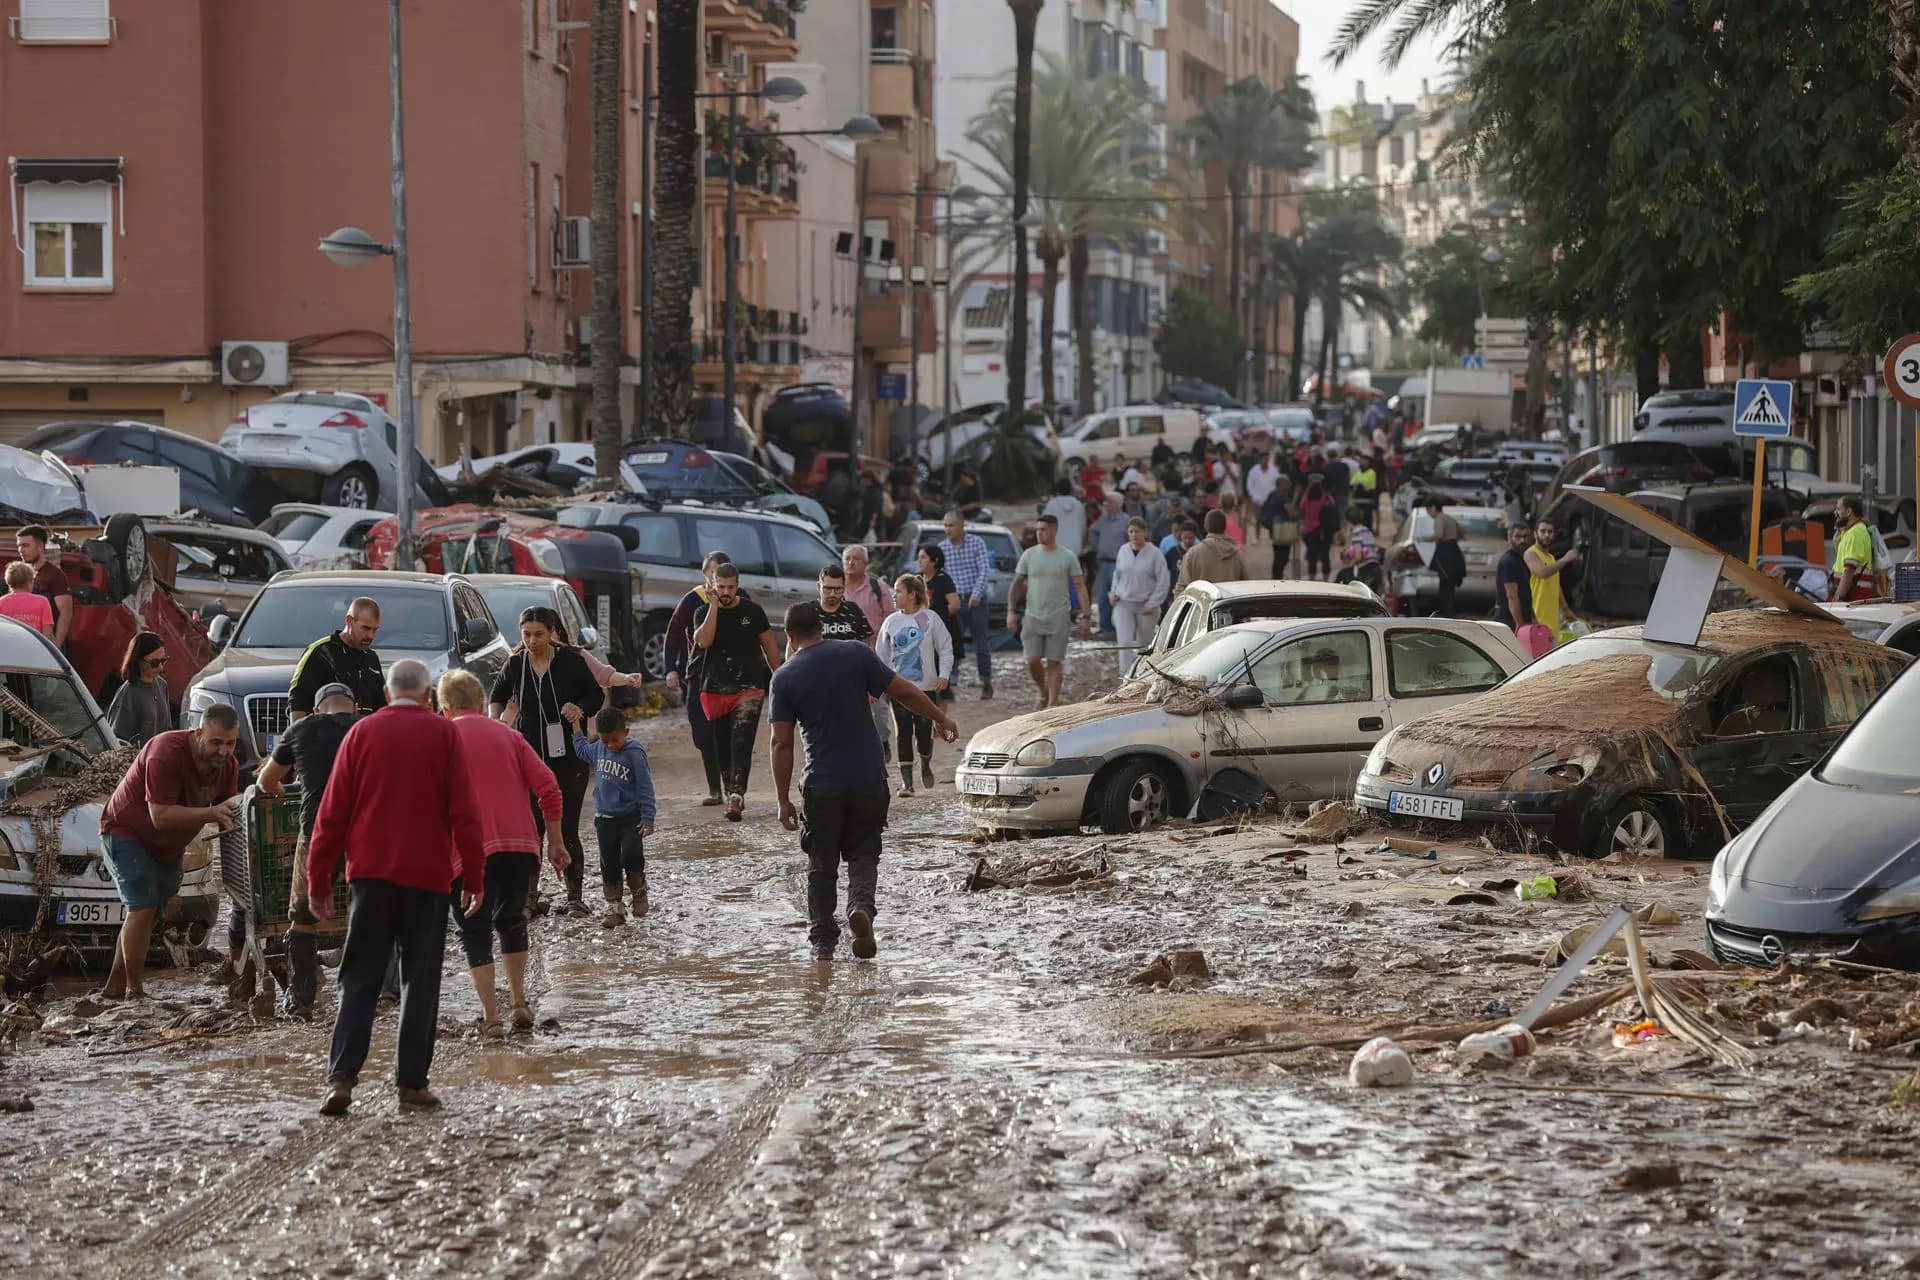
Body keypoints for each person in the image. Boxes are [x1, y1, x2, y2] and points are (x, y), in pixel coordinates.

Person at [309, 660, 485, 1115]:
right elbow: (465, 812)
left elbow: (331, 814)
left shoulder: (361, 734)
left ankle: (341, 1082)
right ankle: (410, 1085)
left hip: (369, 876)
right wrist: (475, 876)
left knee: (359, 978)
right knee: (419, 981)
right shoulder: (444, 734)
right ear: (428, 697)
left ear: (388, 695)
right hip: (427, 879)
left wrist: (318, 879)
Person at [768, 602, 957, 961]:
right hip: (869, 779)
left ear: (790, 637)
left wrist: (782, 799)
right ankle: (861, 910)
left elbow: (781, 742)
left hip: (822, 783)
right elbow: (903, 691)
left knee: (821, 862)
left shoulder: (785, 677)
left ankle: (823, 941)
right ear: (821, 627)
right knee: (864, 853)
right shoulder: (856, 654)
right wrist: (939, 719)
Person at [434, 670, 564, 1036]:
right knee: (511, 921)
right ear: (480, 703)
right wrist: (555, 841)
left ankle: (491, 1016)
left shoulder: (441, 741)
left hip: (466, 852)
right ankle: (520, 1002)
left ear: (444, 709)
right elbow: (549, 787)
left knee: (474, 932)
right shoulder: (510, 736)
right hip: (519, 847)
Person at [97, 706, 242, 1001]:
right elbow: (159, 816)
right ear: (198, 733)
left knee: (146, 917)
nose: (223, 752)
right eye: (216, 742)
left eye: (231, 743)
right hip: (127, 831)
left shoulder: (229, 765)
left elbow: (233, 811)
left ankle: (113, 990)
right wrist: (212, 812)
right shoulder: (166, 751)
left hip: (168, 846)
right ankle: (135, 994)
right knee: (142, 908)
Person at [255, 682, 360, 1018]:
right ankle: (379, 993)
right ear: (354, 707)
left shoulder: (301, 728)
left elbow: (265, 782)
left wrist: (288, 789)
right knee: (371, 909)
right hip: (364, 833)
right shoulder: (366, 728)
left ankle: (300, 1002)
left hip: (317, 831)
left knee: (302, 916)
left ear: (317, 709)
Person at [490, 606, 603, 914]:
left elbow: (597, 695)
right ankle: (529, 897)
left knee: (567, 828)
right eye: (526, 634)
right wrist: (498, 719)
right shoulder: (515, 665)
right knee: (531, 830)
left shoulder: (571, 661)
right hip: (527, 758)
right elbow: (496, 695)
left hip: (569, 757)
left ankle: (574, 896)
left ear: (553, 633)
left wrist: (579, 708)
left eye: (539, 635)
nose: (532, 641)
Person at [692, 563, 782, 821]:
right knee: (722, 745)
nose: (727, 592)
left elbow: (769, 647)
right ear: (712, 585)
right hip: (715, 688)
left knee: (741, 741)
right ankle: (731, 790)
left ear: (738, 584)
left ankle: (736, 797)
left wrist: (782, 677)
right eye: (721, 587)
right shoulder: (702, 612)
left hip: (749, 687)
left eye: (731, 587)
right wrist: (714, 607)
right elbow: (704, 641)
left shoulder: (752, 611)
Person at [572, 705, 657, 927]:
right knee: (608, 863)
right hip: (604, 819)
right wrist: (575, 726)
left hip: (631, 818)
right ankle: (615, 907)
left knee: (631, 856)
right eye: (605, 740)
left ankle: (638, 890)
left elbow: (645, 786)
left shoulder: (634, 752)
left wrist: (648, 818)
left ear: (626, 732)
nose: (610, 745)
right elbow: (581, 749)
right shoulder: (599, 748)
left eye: (615, 740)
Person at [665, 551, 736, 805]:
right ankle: (714, 789)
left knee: (727, 732)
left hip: (730, 677)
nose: (715, 579)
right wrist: (670, 668)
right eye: (711, 573)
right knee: (703, 733)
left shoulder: (740, 601)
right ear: (705, 574)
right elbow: (672, 635)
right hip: (698, 674)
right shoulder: (692, 601)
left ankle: (730, 789)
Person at [876, 574, 954, 796]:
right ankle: (907, 783)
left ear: (912, 594)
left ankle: (926, 764)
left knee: (923, 730)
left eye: (899, 591)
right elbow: (881, 656)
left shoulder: (930, 618)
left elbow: (946, 646)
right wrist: (879, 684)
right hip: (898, 687)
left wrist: (944, 674)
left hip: (926, 686)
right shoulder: (891, 622)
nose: (894, 595)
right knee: (902, 731)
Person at [1009, 513, 1091, 710]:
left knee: (1054, 661)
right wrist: (1011, 611)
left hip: (1059, 615)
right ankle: (1043, 691)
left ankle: (1053, 702)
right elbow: (1017, 584)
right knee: (1032, 660)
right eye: (1037, 530)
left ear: (1054, 530)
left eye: (1043, 530)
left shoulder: (1067, 556)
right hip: (1032, 615)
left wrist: (1086, 616)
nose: (1039, 533)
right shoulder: (1028, 555)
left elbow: (1080, 586)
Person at [289, 597, 386, 718]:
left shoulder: (372, 658)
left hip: (363, 734)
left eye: (375, 630)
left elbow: (382, 707)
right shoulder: (321, 652)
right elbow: (298, 703)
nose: (371, 635)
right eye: (365, 628)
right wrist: (300, 735)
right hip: (327, 734)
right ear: (349, 621)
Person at [840, 544, 895, 755]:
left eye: (856, 559)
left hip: (874, 651)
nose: (851, 562)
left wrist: (886, 646)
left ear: (865, 563)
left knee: (877, 703)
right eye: (847, 559)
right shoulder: (837, 588)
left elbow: (891, 617)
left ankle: (882, 742)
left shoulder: (877, 587)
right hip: (842, 653)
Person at [940, 511, 995, 700]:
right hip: (954, 601)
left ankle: (986, 681)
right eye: (945, 526)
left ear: (962, 525)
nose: (948, 529)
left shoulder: (976, 543)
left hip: (976, 600)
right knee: (951, 643)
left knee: (981, 643)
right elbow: (941, 577)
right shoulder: (942, 548)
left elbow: (984, 570)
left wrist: (977, 593)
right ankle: (949, 684)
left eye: (951, 525)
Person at [1110, 518, 1169, 673]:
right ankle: (1125, 678)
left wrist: (1152, 604)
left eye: (1137, 531)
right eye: (1131, 531)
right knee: (1124, 642)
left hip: (1146, 605)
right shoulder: (1123, 550)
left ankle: (1143, 675)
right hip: (1124, 603)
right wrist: (1114, 592)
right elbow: (1117, 574)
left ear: (1145, 532)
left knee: (1145, 644)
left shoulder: (1155, 554)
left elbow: (1163, 582)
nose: (1134, 535)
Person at [106, 631, 174, 746]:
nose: (161, 668)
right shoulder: (128, 693)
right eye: (155, 663)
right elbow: (117, 742)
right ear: (138, 660)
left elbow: (167, 729)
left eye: (163, 661)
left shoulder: (162, 685)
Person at [916, 543, 962, 697]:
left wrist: (935, 620)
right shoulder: (917, 580)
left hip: (943, 633)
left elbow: (954, 605)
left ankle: (941, 714)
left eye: (923, 557)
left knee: (940, 681)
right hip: (921, 636)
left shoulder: (943, 579)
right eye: (919, 558)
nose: (919, 561)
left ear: (934, 561)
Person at [15, 525, 72, 650]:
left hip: (48, 644)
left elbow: (66, 612)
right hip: (22, 643)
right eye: (19, 545)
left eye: (25, 545)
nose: (20, 550)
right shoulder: (20, 575)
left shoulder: (55, 575)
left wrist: (56, 645)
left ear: (40, 546)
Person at [1524, 518, 1580, 643]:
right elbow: (1542, 572)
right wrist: (1565, 559)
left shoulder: (1551, 558)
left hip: (1552, 624)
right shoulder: (1531, 554)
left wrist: (1565, 609)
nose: (1547, 535)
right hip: (1537, 622)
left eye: (1550, 532)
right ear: (1535, 533)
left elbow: (1556, 585)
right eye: (1543, 531)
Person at [1087, 494, 1131, 638]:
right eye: (1105, 502)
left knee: (1118, 597)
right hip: (1103, 562)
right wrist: (1096, 547)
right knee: (1102, 597)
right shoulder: (1102, 520)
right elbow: (1092, 531)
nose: (1105, 504)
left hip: (1118, 564)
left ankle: (1119, 628)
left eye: (1109, 502)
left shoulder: (1126, 520)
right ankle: (1105, 628)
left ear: (1117, 504)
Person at [1176, 509, 1248, 588]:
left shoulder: (1192, 554)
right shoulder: (1236, 555)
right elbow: (1246, 585)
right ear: (1224, 527)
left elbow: (1181, 587)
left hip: (1203, 600)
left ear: (1205, 527)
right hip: (1229, 599)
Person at [1424, 498, 1468, 618]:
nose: (1428, 514)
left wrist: (1423, 539)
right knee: (1449, 587)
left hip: (1446, 554)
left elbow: (1439, 534)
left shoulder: (1439, 518)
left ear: (1433, 507)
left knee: (1445, 588)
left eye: (1428, 510)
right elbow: (1462, 533)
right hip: (1454, 551)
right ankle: (1449, 613)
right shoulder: (1449, 518)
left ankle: (1448, 615)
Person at [1492, 522, 1538, 634]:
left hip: (1522, 619)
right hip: (1509, 622)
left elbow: (1525, 592)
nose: (1522, 540)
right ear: (1510, 538)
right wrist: (1519, 624)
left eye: (1525, 536)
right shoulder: (1509, 562)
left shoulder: (1520, 560)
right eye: (1518, 536)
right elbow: (1512, 595)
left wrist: (1533, 617)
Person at [814, 563, 875, 645]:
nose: (832, 594)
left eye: (837, 589)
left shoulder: (853, 610)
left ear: (844, 588)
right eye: (828, 589)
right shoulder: (809, 612)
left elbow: (868, 642)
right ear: (818, 587)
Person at [1833, 496, 1878, 602]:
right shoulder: (1849, 532)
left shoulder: (1855, 533)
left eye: (1839, 509)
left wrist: (1838, 599)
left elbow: (1849, 570)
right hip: (1851, 598)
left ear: (1848, 511)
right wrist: (1837, 544)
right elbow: (1842, 565)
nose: (1835, 513)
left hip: (1852, 599)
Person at [0, 560, 53, 637]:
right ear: (29, 582)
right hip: (34, 647)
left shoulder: (1, 602)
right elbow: (48, 634)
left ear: (8, 582)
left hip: (9, 647)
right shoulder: (42, 602)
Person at [1298, 475, 1337, 581]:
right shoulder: (1326, 498)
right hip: (1325, 530)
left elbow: (1301, 510)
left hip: (1310, 530)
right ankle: (1326, 578)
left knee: (1312, 556)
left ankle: (1312, 578)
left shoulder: (1306, 498)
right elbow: (1333, 508)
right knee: (1325, 555)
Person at [1043, 478, 1088, 569]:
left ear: (1057, 489)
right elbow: (1083, 527)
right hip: (1075, 550)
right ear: (1071, 490)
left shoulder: (1052, 505)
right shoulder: (1078, 505)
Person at [1246, 452, 1280, 543]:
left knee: (1271, 519)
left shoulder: (1274, 470)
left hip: (1270, 500)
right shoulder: (1254, 470)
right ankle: (1257, 537)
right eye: (1264, 459)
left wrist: (1273, 496)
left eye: (1267, 459)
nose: (1266, 461)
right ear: (1260, 460)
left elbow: (1277, 484)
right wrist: (1254, 496)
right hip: (1258, 499)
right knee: (1258, 519)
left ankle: (1273, 537)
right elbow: (1250, 484)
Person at [1164, 521, 1199, 605]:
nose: (1187, 540)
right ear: (1181, 536)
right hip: (1176, 594)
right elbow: (1164, 572)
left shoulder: (1199, 552)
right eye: (1185, 537)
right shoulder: (1172, 552)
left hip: (1195, 594)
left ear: (1195, 537)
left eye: (1190, 538)